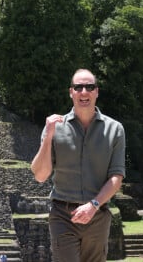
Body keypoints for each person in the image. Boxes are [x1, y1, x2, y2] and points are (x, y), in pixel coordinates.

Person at [31, 69, 125, 262]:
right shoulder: (54, 127)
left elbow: (116, 177)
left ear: (96, 92)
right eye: (78, 87)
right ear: (71, 92)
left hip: (97, 215)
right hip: (63, 216)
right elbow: (40, 175)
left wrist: (93, 205)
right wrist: (48, 137)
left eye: (89, 87)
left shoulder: (115, 129)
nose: (84, 92)